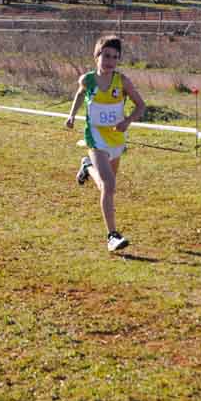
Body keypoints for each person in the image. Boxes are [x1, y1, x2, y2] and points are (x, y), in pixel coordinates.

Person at [65, 35, 146, 252]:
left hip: (116, 138)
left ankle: (86, 167)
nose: (110, 61)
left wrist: (127, 121)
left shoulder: (123, 81)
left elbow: (141, 106)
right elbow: (80, 95)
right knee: (110, 186)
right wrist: (72, 115)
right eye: (106, 56)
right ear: (97, 56)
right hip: (95, 137)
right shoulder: (87, 79)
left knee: (105, 187)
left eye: (115, 57)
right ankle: (112, 236)